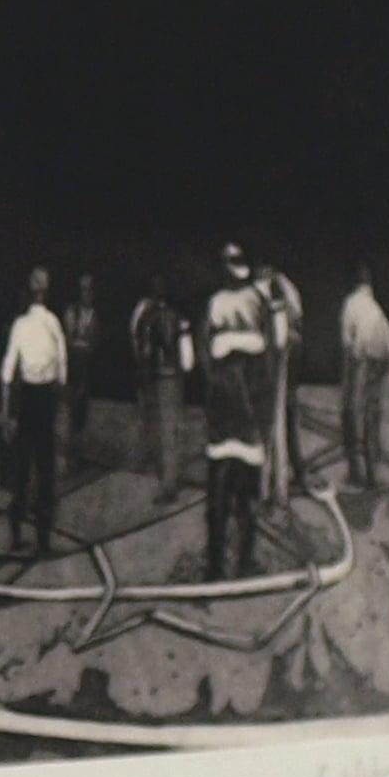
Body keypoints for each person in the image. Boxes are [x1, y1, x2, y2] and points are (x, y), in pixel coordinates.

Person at [201, 245, 274, 579]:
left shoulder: (215, 304)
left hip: (225, 408)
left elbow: (205, 357)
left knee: (221, 490)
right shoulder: (257, 302)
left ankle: (217, 565)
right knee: (244, 492)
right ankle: (241, 561)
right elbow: (269, 356)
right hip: (245, 410)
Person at [0, 266, 68, 557]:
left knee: (23, 468)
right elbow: (62, 372)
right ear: (46, 292)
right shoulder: (53, 323)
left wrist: (5, 415)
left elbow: (7, 373)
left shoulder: (20, 325)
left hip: (27, 399)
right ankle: (43, 541)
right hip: (45, 399)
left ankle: (16, 536)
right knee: (45, 470)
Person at [340, 268, 389, 495]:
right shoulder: (372, 304)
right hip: (385, 351)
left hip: (364, 352)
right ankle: (372, 473)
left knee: (351, 412)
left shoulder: (351, 303)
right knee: (372, 415)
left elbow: (347, 343)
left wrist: (348, 382)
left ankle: (355, 472)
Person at [129, 283, 186, 497]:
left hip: (156, 378)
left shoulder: (148, 318)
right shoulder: (179, 318)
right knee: (171, 431)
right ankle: (171, 480)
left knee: (159, 432)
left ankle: (167, 484)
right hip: (174, 377)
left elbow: (141, 349)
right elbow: (188, 359)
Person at [258, 258, 305, 501]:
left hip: (274, 372)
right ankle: (287, 481)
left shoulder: (273, 293)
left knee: (272, 429)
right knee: (284, 426)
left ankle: (271, 488)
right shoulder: (287, 292)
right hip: (283, 369)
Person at [63, 274, 101, 466]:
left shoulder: (93, 314)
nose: (87, 294)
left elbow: (93, 341)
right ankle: (72, 454)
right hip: (74, 364)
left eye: (89, 290)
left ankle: (77, 453)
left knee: (82, 411)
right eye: (84, 290)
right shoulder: (73, 312)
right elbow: (69, 339)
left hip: (85, 365)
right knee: (74, 408)